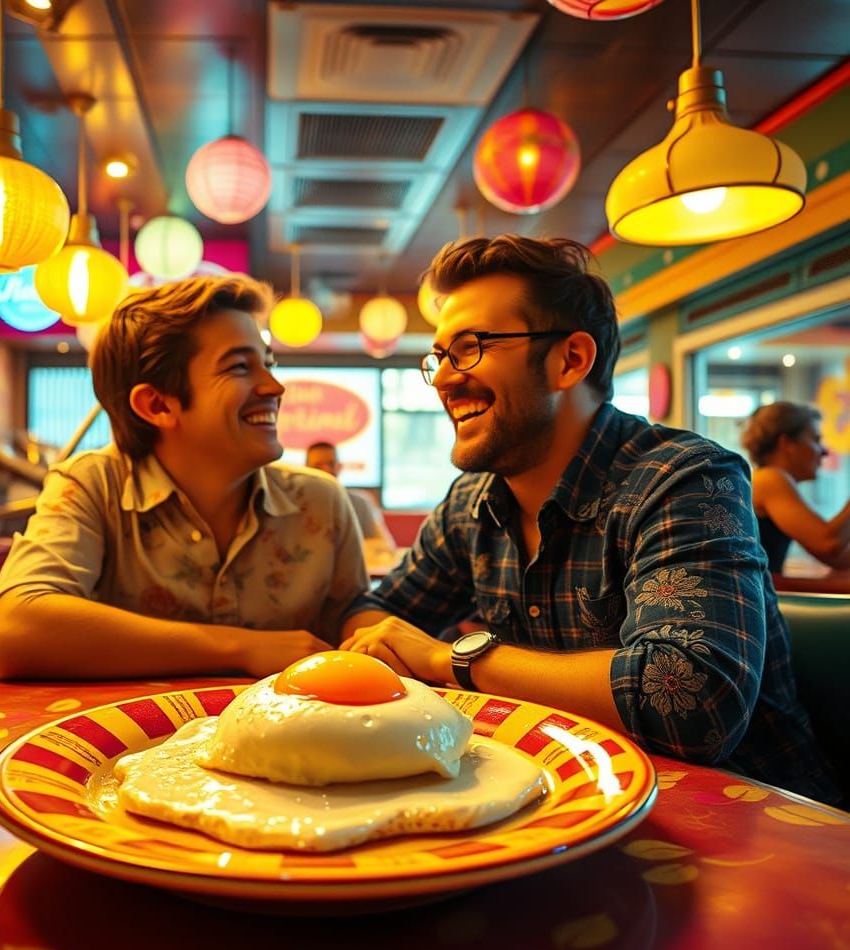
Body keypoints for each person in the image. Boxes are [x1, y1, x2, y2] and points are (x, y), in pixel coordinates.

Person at [341, 234, 840, 805]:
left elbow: (692, 701)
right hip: (571, 800)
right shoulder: (471, 504)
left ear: (571, 360)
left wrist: (450, 658)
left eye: (472, 347)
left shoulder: (683, 477)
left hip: (753, 814)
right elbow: (374, 617)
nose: (445, 379)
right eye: (440, 358)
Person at [0, 275, 369, 680]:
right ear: (157, 405)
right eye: (240, 367)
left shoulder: (321, 501)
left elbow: (354, 615)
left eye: (269, 363)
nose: (275, 387)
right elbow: (15, 629)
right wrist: (241, 648)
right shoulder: (97, 485)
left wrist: (371, 631)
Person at [740, 401, 850, 574]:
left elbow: (840, 559)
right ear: (786, 443)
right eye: (816, 439)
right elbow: (828, 543)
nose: (824, 452)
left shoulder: (769, 480)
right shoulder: (770, 479)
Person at [304, 440, 398, 566]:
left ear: (339, 467)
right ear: (305, 470)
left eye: (331, 464)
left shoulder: (361, 502)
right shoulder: (296, 504)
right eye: (318, 466)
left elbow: (386, 547)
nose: (326, 470)